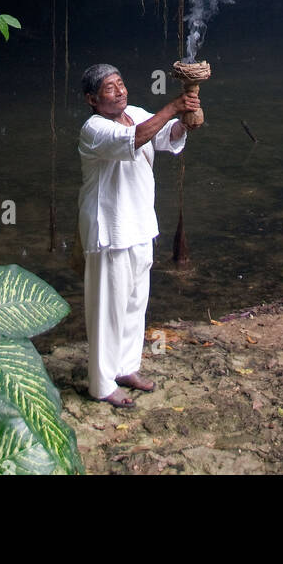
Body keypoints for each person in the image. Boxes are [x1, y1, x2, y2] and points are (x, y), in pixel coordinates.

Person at [78, 62, 203, 407]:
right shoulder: (94, 129)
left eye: (120, 83)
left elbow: (164, 136)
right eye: (108, 88)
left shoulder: (134, 113)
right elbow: (136, 138)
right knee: (108, 308)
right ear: (92, 99)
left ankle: (126, 368)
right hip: (110, 229)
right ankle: (101, 385)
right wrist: (173, 107)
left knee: (134, 302)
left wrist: (185, 120)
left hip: (140, 225)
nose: (119, 91)